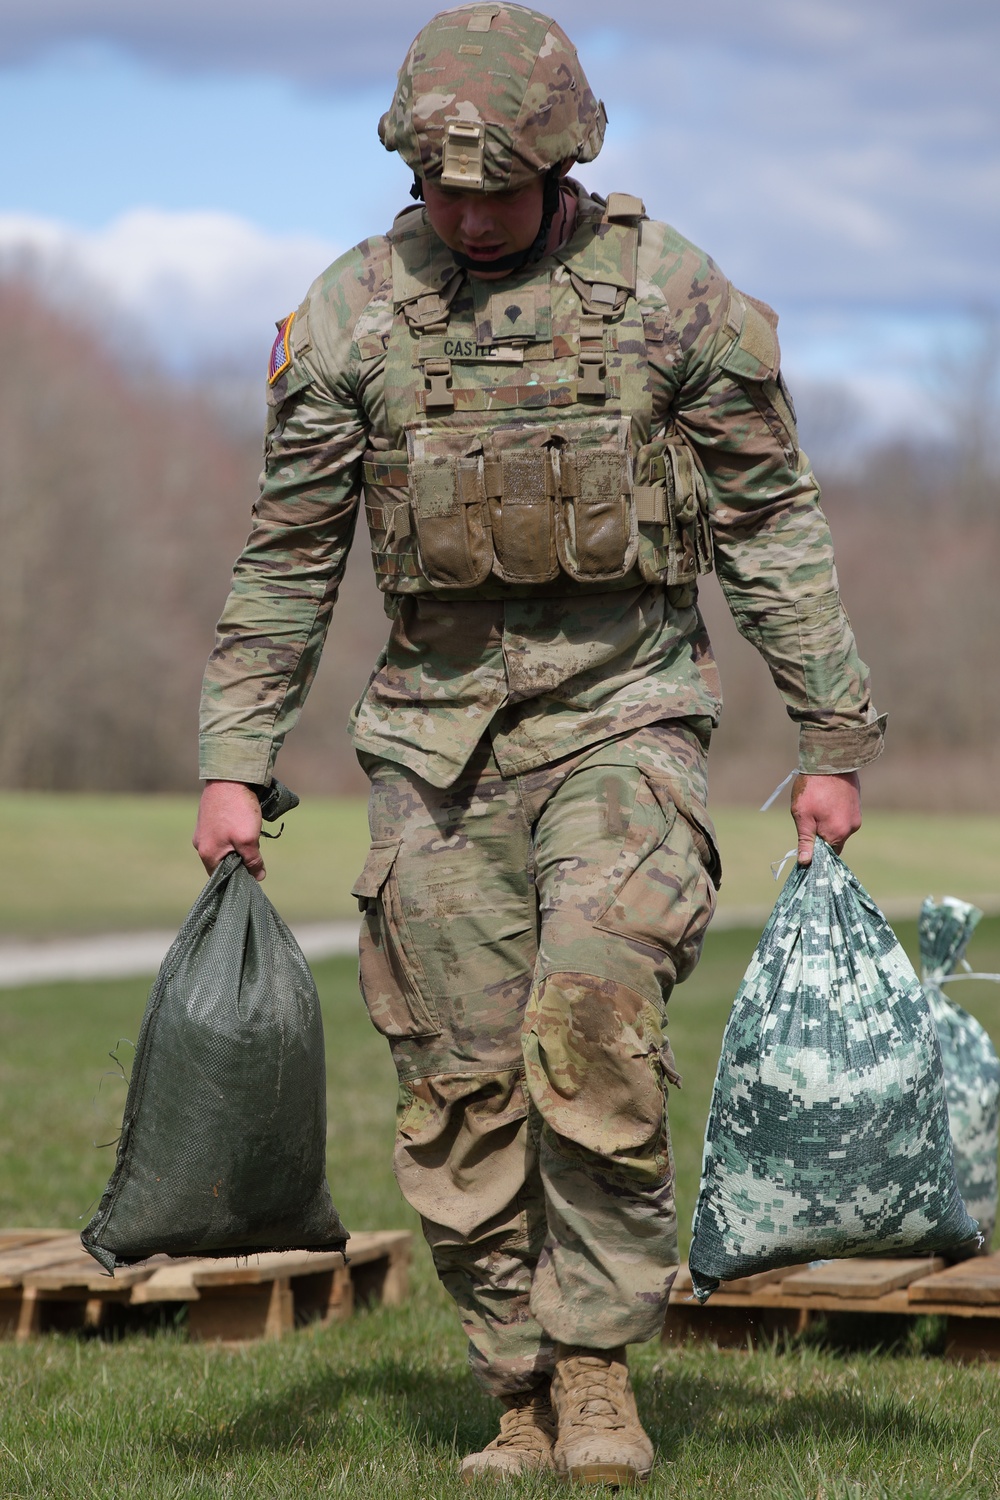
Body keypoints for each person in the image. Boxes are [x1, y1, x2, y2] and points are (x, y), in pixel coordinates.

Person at [194, 3, 884, 1485]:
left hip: (624, 715)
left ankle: (595, 1375)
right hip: (432, 745)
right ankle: (512, 1381)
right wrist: (232, 758)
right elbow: (288, 555)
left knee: (590, 1027)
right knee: (458, 1082)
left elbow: (771, 523)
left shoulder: (670, 299)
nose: (470, 214)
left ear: (566, 159)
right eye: (444, 190)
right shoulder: (349, 319)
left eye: (498, 189)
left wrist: (831, 731)